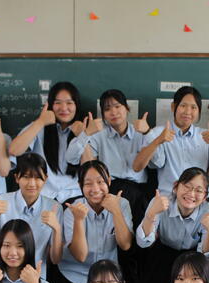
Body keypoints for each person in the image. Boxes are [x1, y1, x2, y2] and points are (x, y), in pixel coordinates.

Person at [50, 160, 134, 283]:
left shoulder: (122, 204)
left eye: (100, 182)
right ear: (80, 186)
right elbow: (80, 255)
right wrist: (79, 220)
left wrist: (116, 212)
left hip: (107, 276)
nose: (95, 189)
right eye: (88, 183)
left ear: (109, 181)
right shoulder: (72, 209)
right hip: (76, 275)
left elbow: (125, 244)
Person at [136, 167, 209, 283]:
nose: (191, 194)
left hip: (192, 261)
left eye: (199, 190)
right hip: (162, 255)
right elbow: (143, 242)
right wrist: (151, 214)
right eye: (187, 186)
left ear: (205, 196)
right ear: (176, 187)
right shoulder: (161, 201)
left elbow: (205, 256)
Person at [65, 89, 152, 224]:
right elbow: (71, 158)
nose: (113, 112)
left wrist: (148, 133)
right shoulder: (98, 135)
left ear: (127, 108)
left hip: (138, 191)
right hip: (110, 190)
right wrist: (85, 134)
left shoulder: (140, 132)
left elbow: (158, 162)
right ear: (103, 114)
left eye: (117, 106)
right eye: (107, 109)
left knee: (138, 232)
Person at [133, 86, 209, 195]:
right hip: (169, 198)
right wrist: (156, 140)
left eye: (193, 107)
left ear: (199, 111)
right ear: (173, 107)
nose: (187, 111)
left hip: (198, 199)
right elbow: (137, 167)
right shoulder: (158, 133)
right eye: (183, 105)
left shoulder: (206, 136)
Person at [0, 152, 62, 276]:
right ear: (16, 178)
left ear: (46, 179)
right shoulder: (0, 201)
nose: (32, 183)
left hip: (34, 278)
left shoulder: (54, 208)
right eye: (26, 177)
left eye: (38, 178)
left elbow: (55, 260)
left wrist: (57, 229)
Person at [9, 82, 85, 203]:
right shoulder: (39, 127)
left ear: (77, 105)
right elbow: (14, 150)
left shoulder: (85, 129)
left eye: (69, 103)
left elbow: (89, 167)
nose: (63, 108)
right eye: (58, 103)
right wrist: (40, 122)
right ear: (50, 105)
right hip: (42, 196)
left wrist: (83, 136)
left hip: (75, 197)